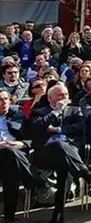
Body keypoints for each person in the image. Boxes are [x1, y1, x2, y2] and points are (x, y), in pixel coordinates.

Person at [30, 85, 91, 223]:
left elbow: (80, 128)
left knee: (64, 163)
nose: (64, 98)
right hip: (45, 154)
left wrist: (58, 130)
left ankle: (58, 214)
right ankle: (88, 176)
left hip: (69, 153)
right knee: (58, 146)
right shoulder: (40, 112)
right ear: (50, 98)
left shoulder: (75, 110)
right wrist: (56, 111)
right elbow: (36, 128)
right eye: (60, 95)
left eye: (66, 94)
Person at [0, 89, 36, 222]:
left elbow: (31, 139)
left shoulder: (18, 116)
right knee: (10, 154)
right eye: (0, 99)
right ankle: (31, 181)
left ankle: (10, 217)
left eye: (5, 99)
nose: (3, 102)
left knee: (10, 165)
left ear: (10, 101)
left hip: (13, 156)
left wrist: (20, 144)